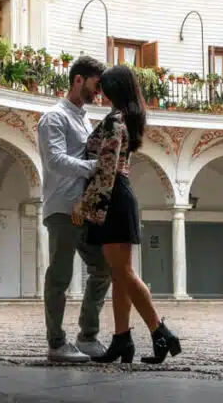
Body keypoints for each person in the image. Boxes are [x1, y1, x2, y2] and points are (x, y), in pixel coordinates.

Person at [73, 64, 181, 365]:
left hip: (112, 198)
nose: (100, 91)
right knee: (120, 275)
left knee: (123, 273)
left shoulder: (114, 121)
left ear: (113, 90)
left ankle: (161, 332)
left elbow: (106, 170)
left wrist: (85, 205)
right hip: (120, 195)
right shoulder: (127, 119)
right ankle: (122, 339)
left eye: (104, 86)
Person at [37, 55, 111, 363]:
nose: (98, 92)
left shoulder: (85, 119)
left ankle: (88, 336)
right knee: (60, 276)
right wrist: (96, 167)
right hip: (63, 208)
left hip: (84, 207)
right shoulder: (53, 117)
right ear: (78, 79)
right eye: (96, 84)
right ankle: (56, 343)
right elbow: (54, 160)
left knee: (103, 268)